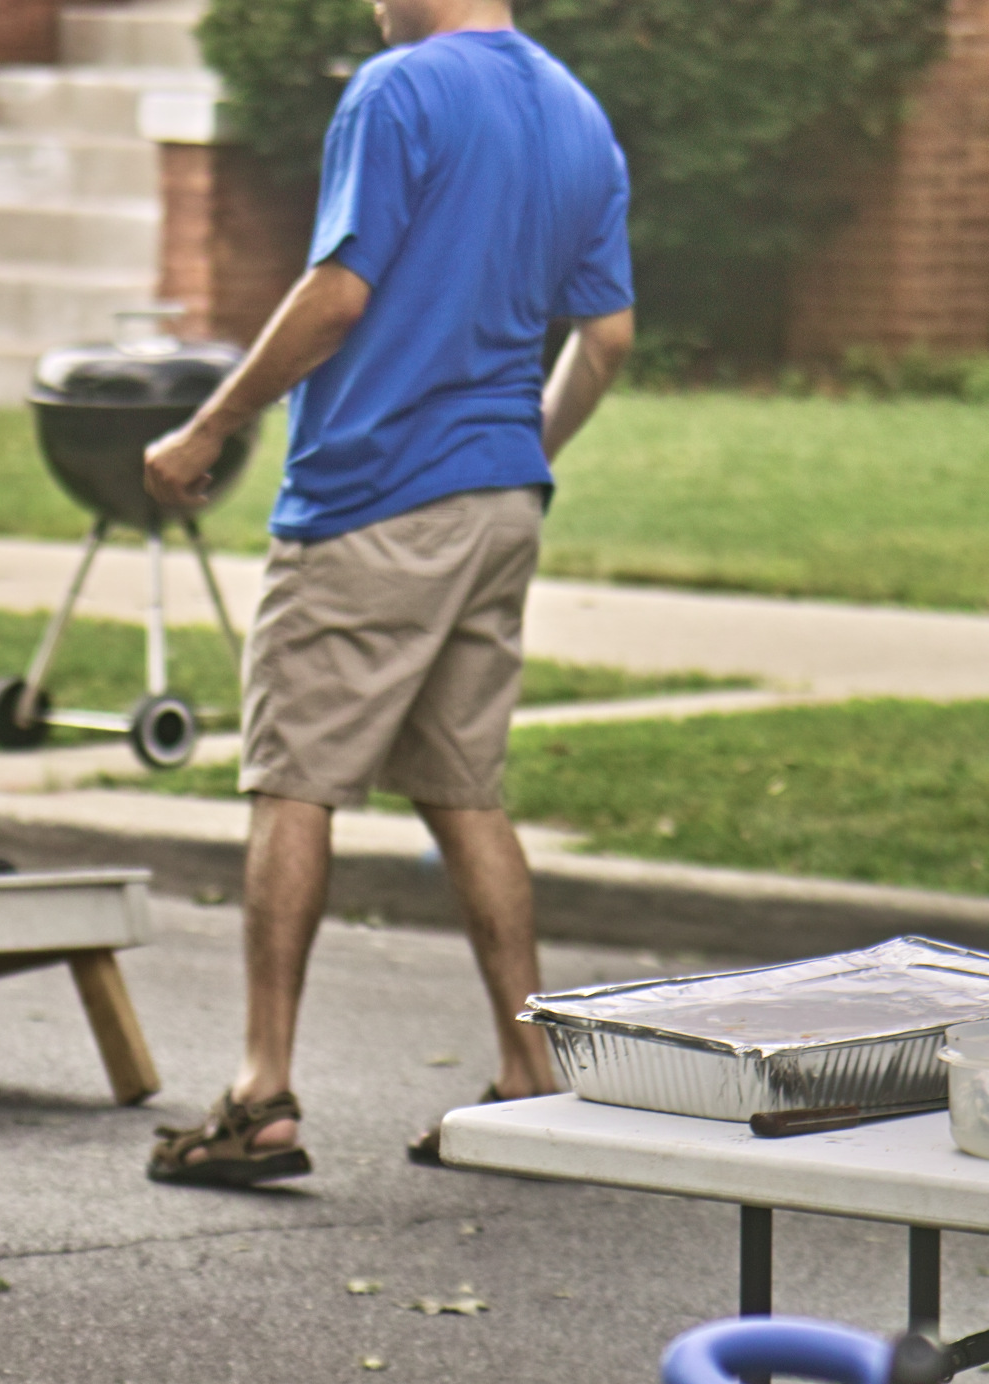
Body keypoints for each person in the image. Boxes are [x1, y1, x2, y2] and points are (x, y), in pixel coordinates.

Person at [138, 0, 634, 1185]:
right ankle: (529, 1074)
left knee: (293, 780)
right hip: (499, 501)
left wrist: (210, 426)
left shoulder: (399, 88)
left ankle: (261, 1092)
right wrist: (519, 450)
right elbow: (607, 336)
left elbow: (339, 292)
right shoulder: (577, 112)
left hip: (370, 498)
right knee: (465, 790)